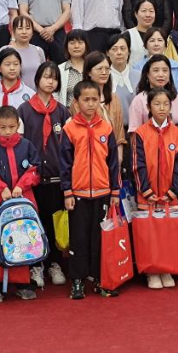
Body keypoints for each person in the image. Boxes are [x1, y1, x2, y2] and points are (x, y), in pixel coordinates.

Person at [61, 80, 122, 300]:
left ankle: (99, 279)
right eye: (85, 100)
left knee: (100, 239)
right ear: (76, 103)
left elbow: (113, 163)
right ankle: (77, 280)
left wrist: (115, 192)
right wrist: (67, 192)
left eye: (94, 99)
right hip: (77, 194)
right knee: (78, 238)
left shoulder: (106, 128)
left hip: (103, 193)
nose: (90, 103)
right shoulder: (69, 129)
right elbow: (65, 164)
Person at [17, 62, 70, 288]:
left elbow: (68, 146)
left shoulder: (62, 111)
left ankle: (54, 263)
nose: (50, 81)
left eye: (54, 78)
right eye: (46, 77)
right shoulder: (24, 110)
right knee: (34, 223)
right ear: (37, 79)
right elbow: (19, 145)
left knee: (55, 222)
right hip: (33, 178)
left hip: (56, 178)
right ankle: (36, 265)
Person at [0, 105, 40, 302]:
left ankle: (22, 283)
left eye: (12, 127)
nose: (7, 131)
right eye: (3, 127)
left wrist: (21, 186)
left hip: (23, 199)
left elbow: (34, 170)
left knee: (23, 238)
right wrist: (1, 187)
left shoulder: (27, 146)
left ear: (18, 125)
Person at [131, 87, 178, 290]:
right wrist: (146, 191)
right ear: (149, 107)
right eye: (157, 104)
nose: (162, 108)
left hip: (170, 195)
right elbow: (137, 165)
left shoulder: (177, 134)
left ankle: (167, 268)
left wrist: (174, 190)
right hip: (148, 195)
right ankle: (152, 271)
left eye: (166, 104)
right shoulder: (140, 133)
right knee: (149, 234)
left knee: (168, 233)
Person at [76, 53, 126, 165]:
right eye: (99, 69)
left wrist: (119, 157)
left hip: (114, 156)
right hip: (91, 158)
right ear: (88, 72)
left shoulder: (114, 98)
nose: (104, 72)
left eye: (107, 69)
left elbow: (119, 131)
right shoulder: (79, 101)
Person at [128, 55, 178, 131]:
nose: (161, 75)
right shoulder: (139, 100)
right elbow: (134, 131)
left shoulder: (176, 98)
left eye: (165, 70)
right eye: (156, 70)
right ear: (147, 74)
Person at [0, 47, 35, 138]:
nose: (12, 68)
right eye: (7, 64)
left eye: (16, 64)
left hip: (22, 144)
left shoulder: (30, 94)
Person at [129, 28, 178, 94]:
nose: (156, 44)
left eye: (160, 40)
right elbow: (137, 91)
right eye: (152, 41)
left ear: (165, 45)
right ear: (145, 45)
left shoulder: (175, 66)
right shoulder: (137, 67)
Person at [9, 15, 46, 89]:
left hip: (35, 94)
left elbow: (44, 75)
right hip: (13, 93)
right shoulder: (6, 50)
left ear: (32, 31)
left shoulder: (39, 51)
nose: (24, 32)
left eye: (28, 28)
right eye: (20, 28)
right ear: (13, 31)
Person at [106, 33, 136, 125]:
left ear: (129, 52)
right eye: (114, 49)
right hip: (110, 129)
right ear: (107, 53)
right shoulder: (103, 77)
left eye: (123, 49)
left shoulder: (139, 76)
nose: (119, 52)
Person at [60, 29, 90, 109]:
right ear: (66, 46)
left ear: (86, 45)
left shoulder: (92, 67)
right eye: (72, 43)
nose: (76, 46)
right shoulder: (60, 70)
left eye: (80, 42)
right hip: (68, 114)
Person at [124, 0, 158, 68]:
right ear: (136, 14)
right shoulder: (128, 35)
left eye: (151, 11)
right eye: (144, 11)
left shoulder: (159, 35)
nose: (148, 15)